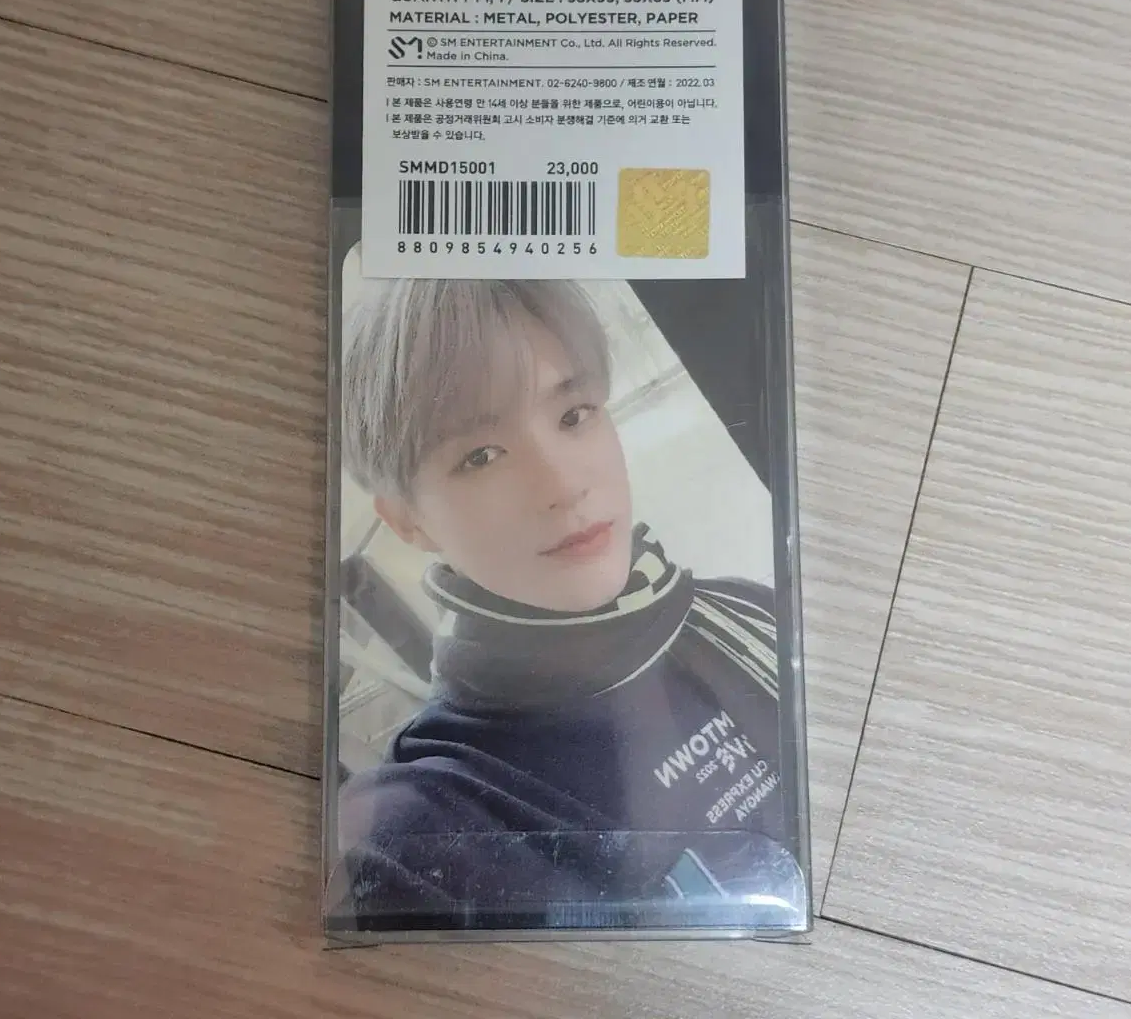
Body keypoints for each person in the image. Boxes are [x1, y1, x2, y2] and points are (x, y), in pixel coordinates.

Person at [332, 275, 799, 930]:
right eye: (481, 455)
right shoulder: (435, 817)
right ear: (407, 519)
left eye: (574, 415)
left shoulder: (747, 613)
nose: (562, 484)